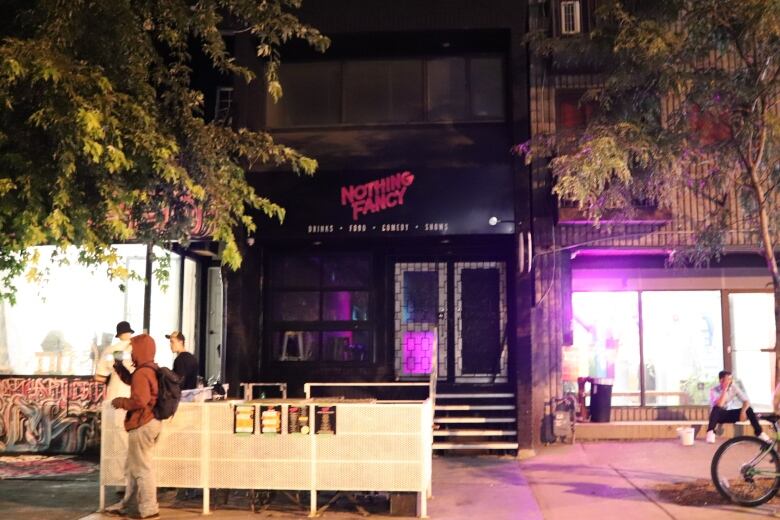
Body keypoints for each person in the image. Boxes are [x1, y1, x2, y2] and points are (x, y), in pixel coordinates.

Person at [104, 334, 161, 520]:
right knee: (135, 467)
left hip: (142, 423)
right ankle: (128, 505)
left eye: (134, 349)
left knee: (142, 469)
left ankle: (149, 508)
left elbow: (140, 400)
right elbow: (135, 382)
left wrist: (121, 401)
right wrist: (120, 368)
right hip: (151, 422)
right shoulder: (150, 369)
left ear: (141, 350)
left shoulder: (143, 372)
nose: (132, 353)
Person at [706, 370, 769, 444]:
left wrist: (743, 412)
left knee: (749, 409)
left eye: (731, 379)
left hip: (729, 414)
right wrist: (724, 389)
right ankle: (710, 432)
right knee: (716, 408)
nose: (731, 381)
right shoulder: (713, 390)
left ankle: (759, 433)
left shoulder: (734, 387)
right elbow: (720, 404)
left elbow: (746, 401)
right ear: (721, 380)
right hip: (717, 417)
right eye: (728, 379)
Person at [94, 321, 134, 400]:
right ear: (130, 333)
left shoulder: (110, 350)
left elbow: (99, 376)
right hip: (133, 393)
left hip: (114, 392)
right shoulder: (138, 348)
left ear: (118, 335)